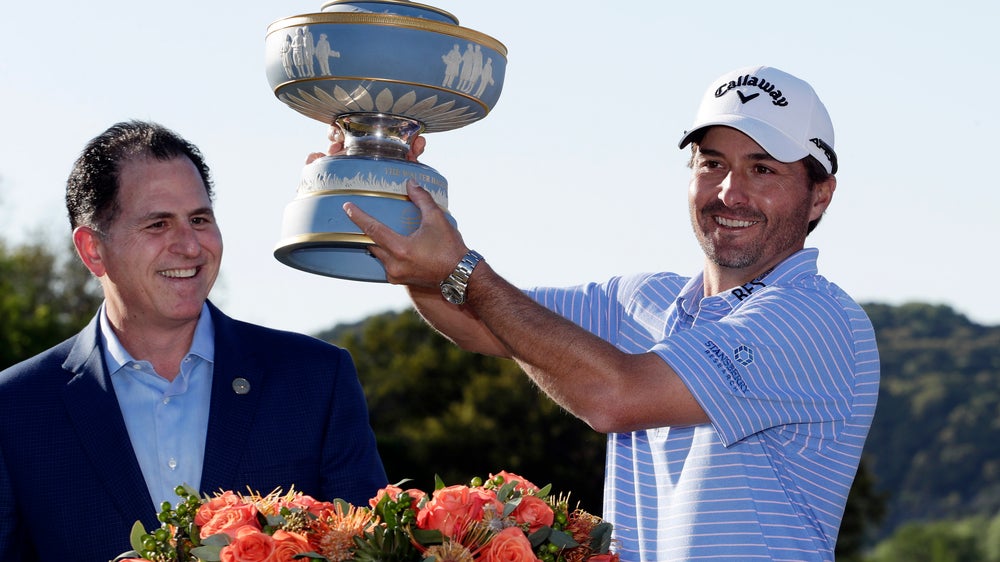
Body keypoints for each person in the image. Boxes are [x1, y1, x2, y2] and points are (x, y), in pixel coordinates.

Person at [341, 65, 880, 561]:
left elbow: (614, 396)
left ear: (819, 195)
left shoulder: (816, 319)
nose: (729, 192)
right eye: (712, 163)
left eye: (762, 169)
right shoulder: (645, 299)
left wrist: (461, 269)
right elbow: (480, 321)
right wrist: (393, 199)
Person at [0, 121, 387, 561]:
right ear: (93, 249)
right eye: (158, 224)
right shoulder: (15, 410)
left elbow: (367, 549)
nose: (189, 246)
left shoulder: (315, 381)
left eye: (199, 220)